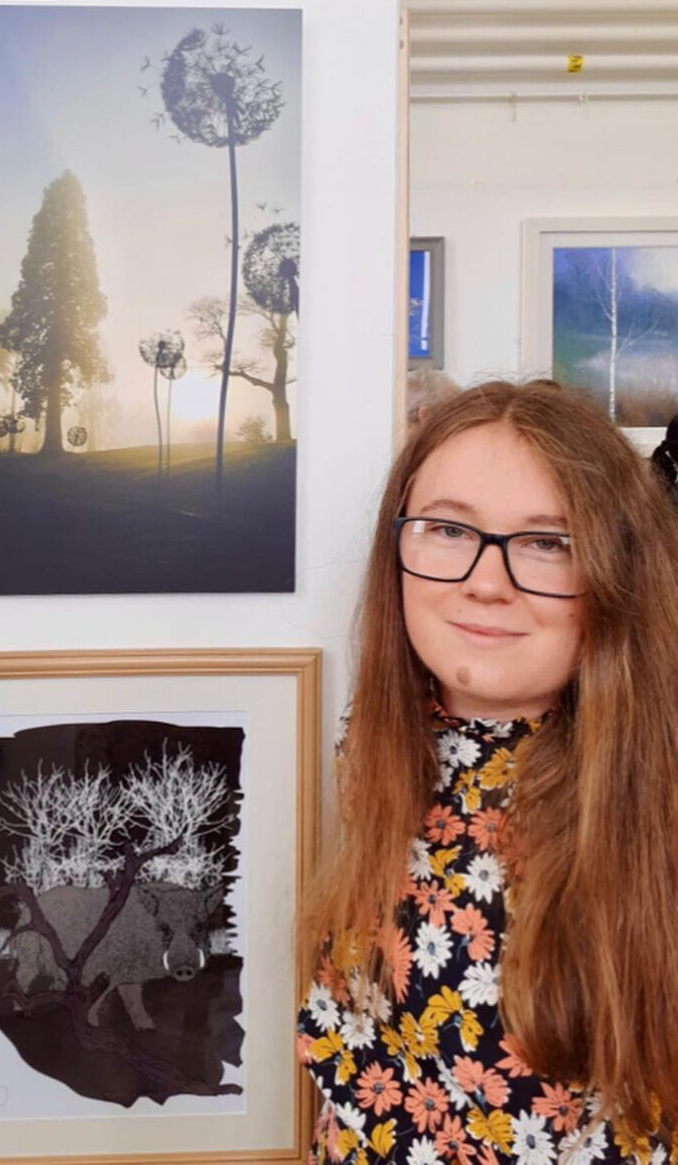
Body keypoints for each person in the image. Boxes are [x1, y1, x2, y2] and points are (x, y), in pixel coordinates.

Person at [298, 380, 678, 1165]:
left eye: (549, 542)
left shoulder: (656, 801)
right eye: (446, 529)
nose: (485, 581)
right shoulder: (377, 750)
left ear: (617, 572)